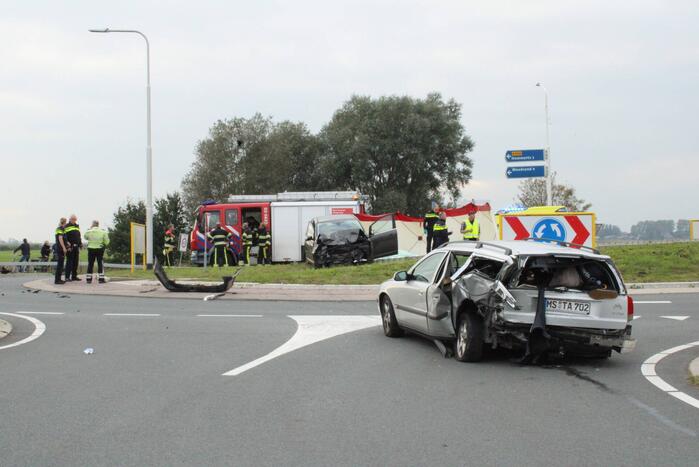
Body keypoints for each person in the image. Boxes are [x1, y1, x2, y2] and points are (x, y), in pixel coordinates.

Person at [63, 214, 82, 281]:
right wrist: (67, 246)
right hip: (70, 247)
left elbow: (79, 236)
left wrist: (80, 244)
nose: (75, 221)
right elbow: (65, 237)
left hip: (76, 247)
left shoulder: (77, 226)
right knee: (69, 262)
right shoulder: (66, 226)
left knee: (75, 262)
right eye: (73, 219)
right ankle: (67, 277)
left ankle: (74, 276)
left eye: (75, 219)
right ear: (70, 219)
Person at [54, 218, 68, 284]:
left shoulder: (62, 229)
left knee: (61, 264)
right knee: (60, 264)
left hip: (61, 248)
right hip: (60, 249)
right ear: (64, 222)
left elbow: (64, 239)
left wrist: (68, 243)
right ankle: (57, 280)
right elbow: (60, 239)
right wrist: (64, 247)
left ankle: (59, 279)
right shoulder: (59, 229)